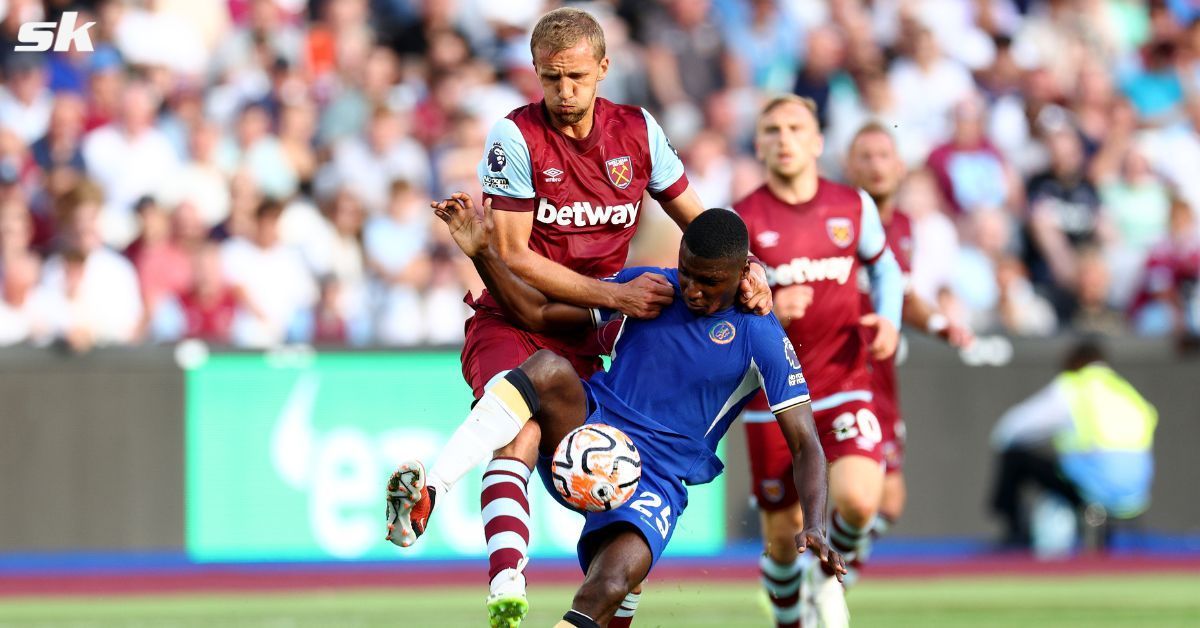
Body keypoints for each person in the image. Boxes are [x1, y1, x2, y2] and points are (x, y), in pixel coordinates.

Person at [390, 8, 772, 627]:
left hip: (588, 335)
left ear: (603, 69)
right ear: (535, 75)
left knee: (612, 483)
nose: (563, 93)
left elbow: (701, 226)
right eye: (549, 79)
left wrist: (746, 267)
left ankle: (610, 603)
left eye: (574, 77)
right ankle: (502, 581)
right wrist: (613, 295)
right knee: (523, 429)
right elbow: (513, 255)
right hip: (513, 317)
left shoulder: (639, 133)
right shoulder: (514, 138)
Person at [391, 198, 844, 628]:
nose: (691, 289)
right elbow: (538, 313)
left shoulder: (762, 337)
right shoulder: (650, 287)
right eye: (686, 272)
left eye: (707, 282)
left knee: (608, 586)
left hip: (657, 479)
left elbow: (805, 442)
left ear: (743, 274)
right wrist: (484, 254)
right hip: (588, 429)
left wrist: (816, 524)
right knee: (547, 369)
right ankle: (434, 489)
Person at [734, 96, 905, 628]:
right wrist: (766, 310)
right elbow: (716, 309)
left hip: (845, 379)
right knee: (782, 544)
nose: (784, 138)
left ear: (817, 141)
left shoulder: (852, 206)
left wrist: (891, 319)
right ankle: (789, 618)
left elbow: (887, 270)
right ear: (759, 144)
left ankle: (833, 575)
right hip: (774, 395)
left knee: (858, 502)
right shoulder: (741, 219)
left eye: (795, 128)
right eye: (772, 130)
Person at [842, 123, 974, 569]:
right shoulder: (835, 218)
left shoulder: (903, 228)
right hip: (832, 364)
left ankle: (837, 572)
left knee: (889, 503)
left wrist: (939, 323)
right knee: (836, 494)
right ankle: (814, 579)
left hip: (879, 371)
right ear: (849, 166)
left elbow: (904, 294)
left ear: (900, 168)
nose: (876, 165)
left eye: (884, 156)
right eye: (866, 156)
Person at [989, 339, 1157, 550]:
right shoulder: (1127, 392)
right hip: (1135, 497)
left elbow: (1009, 429)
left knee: (1014, 456)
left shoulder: (1073, 387)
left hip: (1091, 492)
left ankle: (1014, 538)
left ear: (1076, 362)